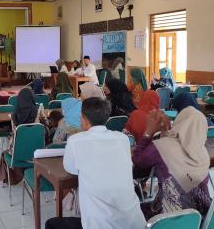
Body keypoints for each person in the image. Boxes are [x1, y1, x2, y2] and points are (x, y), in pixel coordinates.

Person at [46, 97, 145, 229]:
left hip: (100, 225)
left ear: (83, 119)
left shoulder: (75, 141)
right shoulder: (122, 139)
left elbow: (70, 168)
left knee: (51, 224)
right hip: (135, 223)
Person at [132, 106, 211, 219]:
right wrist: (165, 132)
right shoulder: (202, 152)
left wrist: (149, 132)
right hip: (199, 216)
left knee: (135, 211)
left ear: (180, 121)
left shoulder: (163, 146)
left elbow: (139, 160)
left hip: (167, 215)